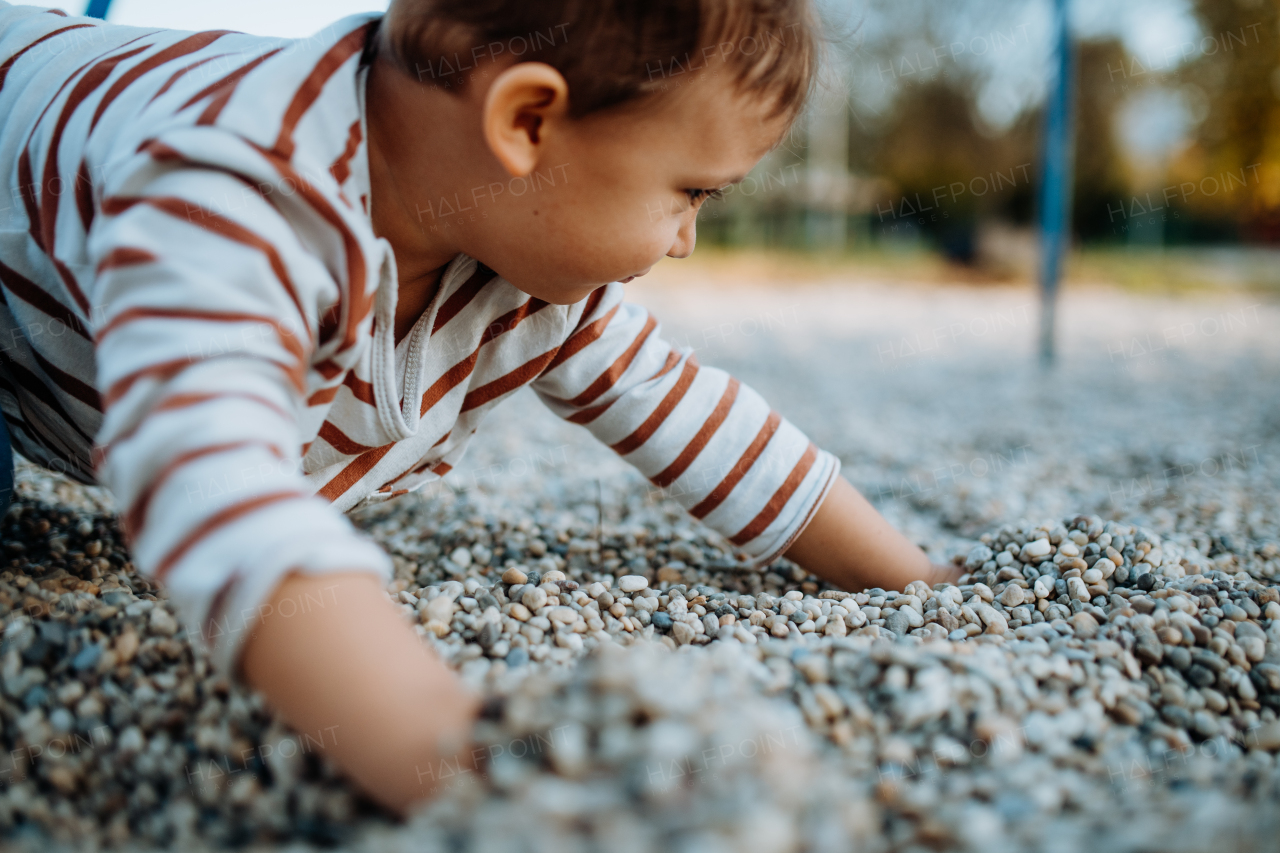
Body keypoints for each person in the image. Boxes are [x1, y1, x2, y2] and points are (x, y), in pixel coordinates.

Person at [0, 0, 959, 812]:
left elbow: (679, 403)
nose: (685, 241)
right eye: (690, 192)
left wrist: (918, 578)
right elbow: (210, 490)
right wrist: (457, 764)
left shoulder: (522, 257)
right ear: (527, 123)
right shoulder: (238, 193)